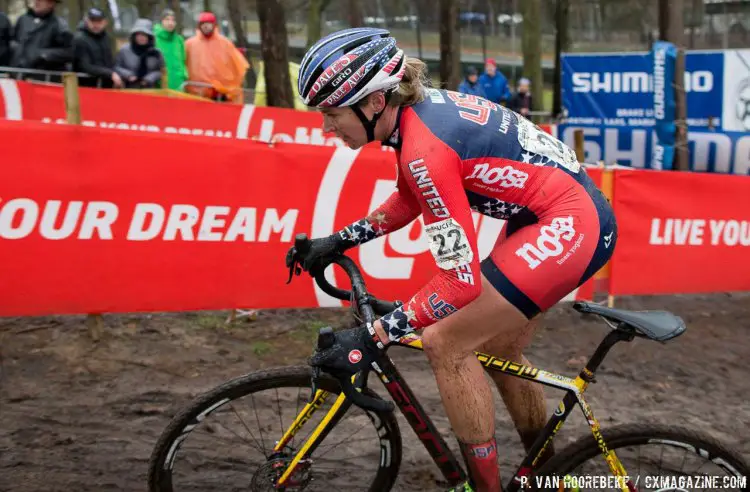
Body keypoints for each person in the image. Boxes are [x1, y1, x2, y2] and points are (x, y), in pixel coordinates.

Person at [287, 28, 617, 492]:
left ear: (375, 102)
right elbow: (408, 198)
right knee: (497, 347)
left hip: (569, 223)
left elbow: (459, 282)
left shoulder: (426, 147)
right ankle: (546, 477)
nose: (327, 127)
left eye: (333, 113)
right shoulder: (417, 115)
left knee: (447, 341)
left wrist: (372, 335)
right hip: (555, 214)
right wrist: (339, 240)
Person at [184, 11, 248, 103]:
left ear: (214, 25)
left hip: (221, 93)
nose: (206, 26)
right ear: (199, 25)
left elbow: (236, 65)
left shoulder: (225, 43)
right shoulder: (189, 44)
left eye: (208, 23)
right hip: (197, 93)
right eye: (203, 24)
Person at [11, 0, 73, 76]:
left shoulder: (59, 25)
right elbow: (14, 43)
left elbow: (70, 52)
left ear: (51, 4)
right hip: (17, 77)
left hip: (41, 79)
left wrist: (44, 54)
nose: (36, 2)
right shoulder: (23, 19)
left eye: (41, 0)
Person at [73, 8, 121, 88]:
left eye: (99, 21)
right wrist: (110, 74)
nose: (96, 24)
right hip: (86, 87)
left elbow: (110, 61)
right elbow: (85, 66)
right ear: (86, 21)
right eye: (92, 21)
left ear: (105, 22)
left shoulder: (106, 38)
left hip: (105, 86)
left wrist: (115, 76)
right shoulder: (79, 39)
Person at [113, 19, 164, 89]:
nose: (141, 37)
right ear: (134, 36)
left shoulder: (156, 53)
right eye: (138, 34)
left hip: (150, 90)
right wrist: (128, 75)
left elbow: (160, 71)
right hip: (128, 90)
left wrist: (148, 79)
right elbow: (116, 67)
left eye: (144, 35)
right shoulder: (124, 50)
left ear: (149, 37)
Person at [154, 9, 187, 91]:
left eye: (173, 20)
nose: (170, 23)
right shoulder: (154, 39)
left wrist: (184, 74)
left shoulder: (179, 40)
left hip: (179, 83)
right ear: (161, 21)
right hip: (161, 83)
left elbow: (183, 59)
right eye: (167, 19)